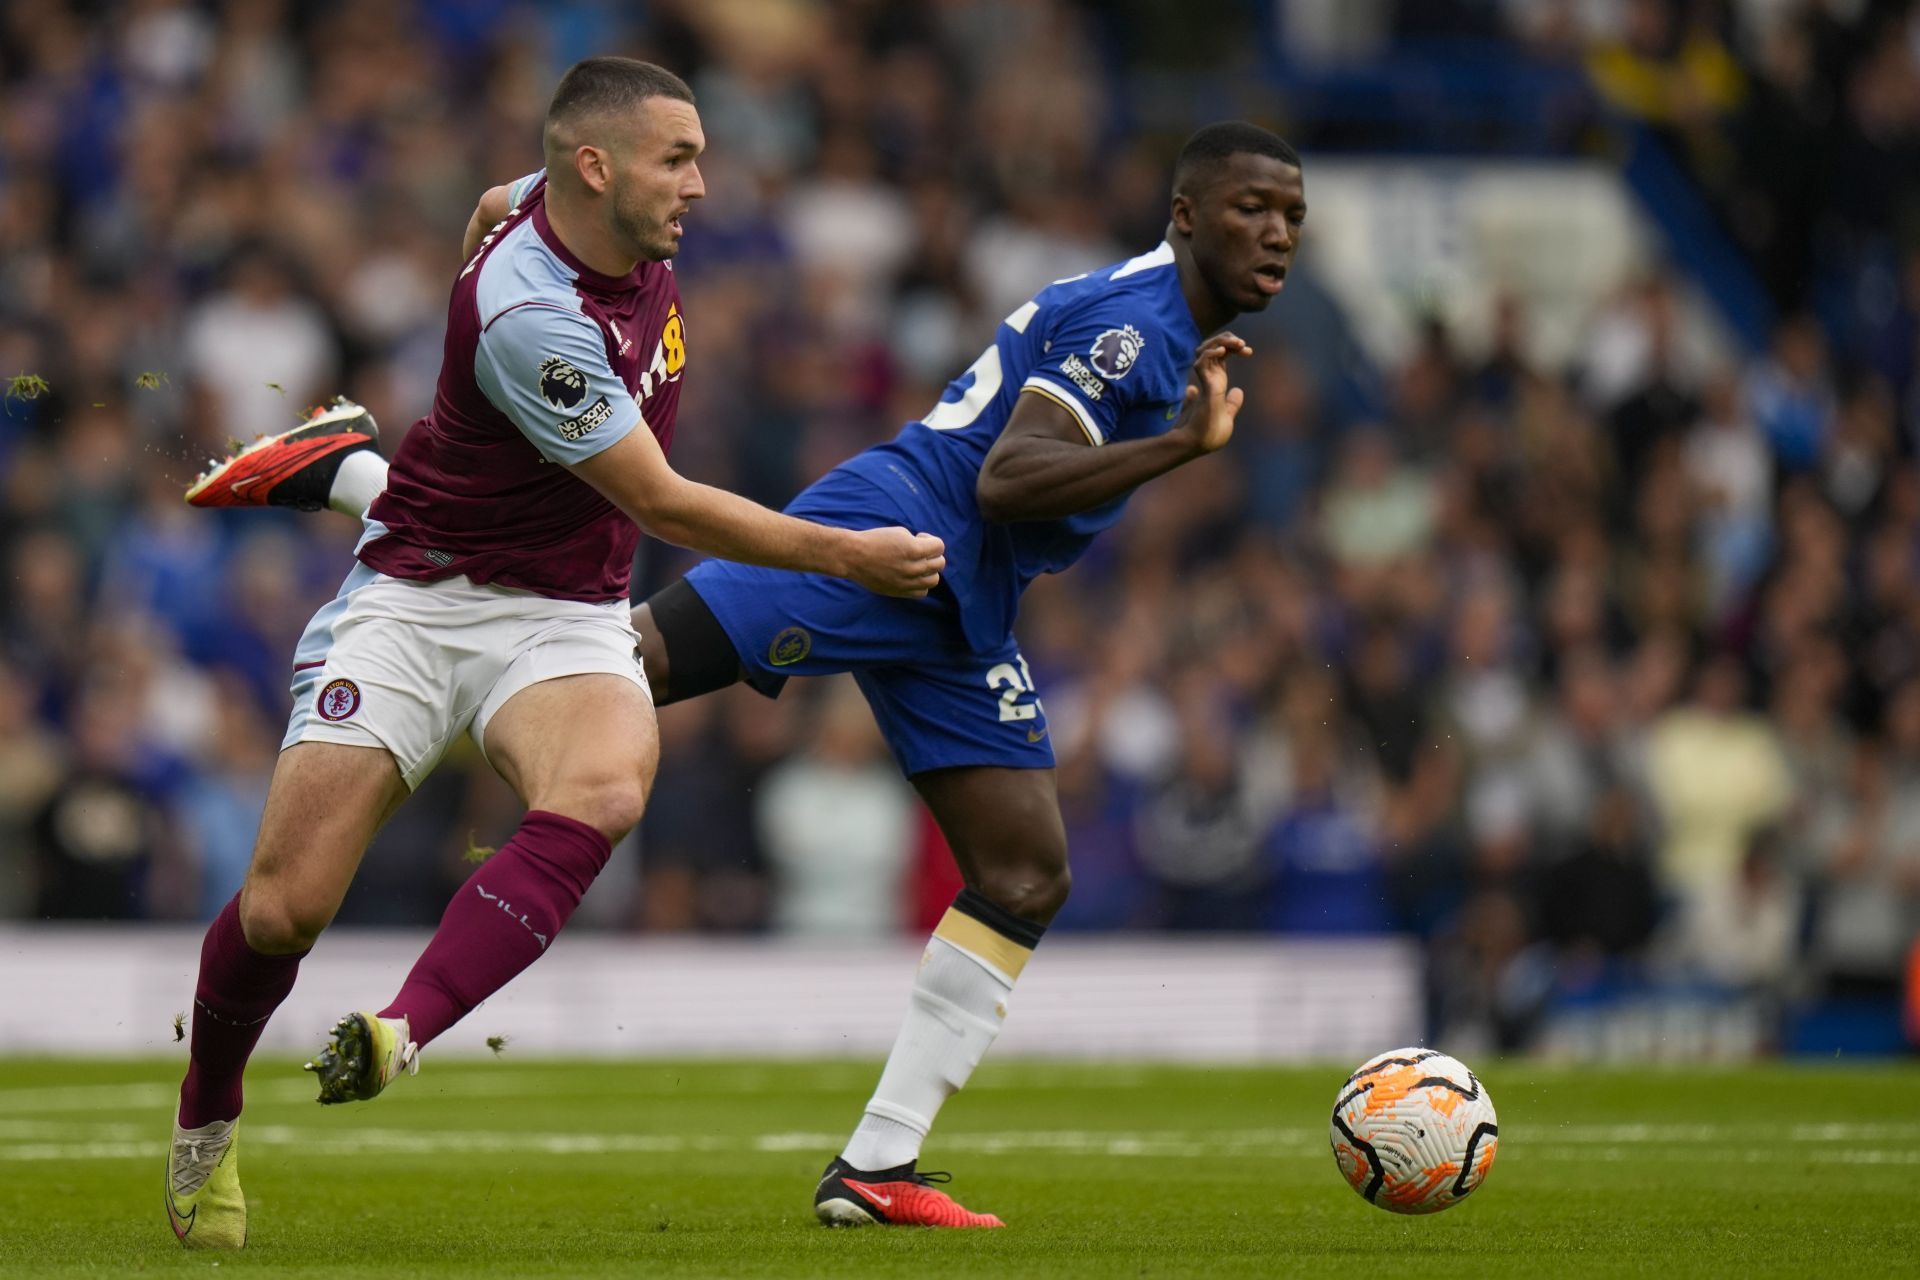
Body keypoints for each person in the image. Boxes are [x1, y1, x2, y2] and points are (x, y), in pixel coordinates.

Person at [192, 119, 1307, 1228]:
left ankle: (875, 1166)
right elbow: (1011, 479)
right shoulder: (1136, 323)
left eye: (1292, 215)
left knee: (1022, 872)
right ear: (1186, 214)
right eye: (1253, 208)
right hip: (896, 531)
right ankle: (372, 501)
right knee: (623, 654)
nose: (1277, 233)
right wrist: (1182, 448)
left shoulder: (1168, 326)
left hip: (963, 602)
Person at [163, 57, 945, 1251]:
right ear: (600, 168)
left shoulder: (580, 203)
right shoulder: (535, 312)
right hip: (421, 602)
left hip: (565, 610)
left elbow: (500, 194)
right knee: (282, 909)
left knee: (608, 782)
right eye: (677, 159)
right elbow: (664, 502)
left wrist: (497, 203)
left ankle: (402, 1028)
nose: (701, 183)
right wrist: (847, 556)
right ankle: (205, 1117)